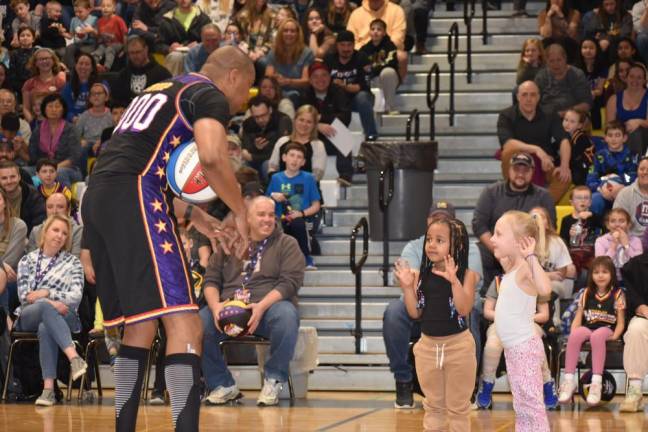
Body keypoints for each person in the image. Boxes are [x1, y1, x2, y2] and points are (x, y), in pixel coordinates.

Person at [81, 46, 254, 431]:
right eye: (248, 89)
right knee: (186, 324)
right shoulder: (209, 94)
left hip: (99, 196)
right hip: (134, 196)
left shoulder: (158, 90)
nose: (243, 102)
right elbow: (211, 157)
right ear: (234, 77)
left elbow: (137, 160)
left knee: (141, 324)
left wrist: (197, 215)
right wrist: (240, 211)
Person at [200, 195, 304, 406]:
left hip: (267, 309)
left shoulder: (287, 243)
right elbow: (210, 281)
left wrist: (262, 306)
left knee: (287, 315)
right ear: (247, 218)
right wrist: (216, 307)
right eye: (261, 214)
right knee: (198, 322)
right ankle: (222, 384)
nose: (267, 219)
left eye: (271, 215)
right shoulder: (229, 244)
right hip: (228, 309)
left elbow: (289, 283)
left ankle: (273, 379)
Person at [384, 201, 483, 410]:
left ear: (455, 240)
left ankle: (471, 386)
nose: (431, 244)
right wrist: (408, 287)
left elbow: (464, 308)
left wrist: (454, 280)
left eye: (439, 240)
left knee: (457, 410)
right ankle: (403, 381)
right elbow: (414, 311)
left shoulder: (466, 269)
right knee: (433, 408)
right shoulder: (418, 260)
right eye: (429, 239)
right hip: (429, 345)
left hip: (457, 342)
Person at [13, 214, 86, 406]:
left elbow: (76, 296)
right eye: (55, 230)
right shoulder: (26, 261)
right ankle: (75, 357)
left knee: (47, 326)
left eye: (64, 233)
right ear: (45, 233)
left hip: (66, 315)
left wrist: (46, 292)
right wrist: (53, 301)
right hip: (29, 314)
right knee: (45, 308)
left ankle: (48, 391)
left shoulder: (73, 263)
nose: (60, 236)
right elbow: (25, 296)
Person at [490, 210, 552, 431]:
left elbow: (545, 289)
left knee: (531, 404)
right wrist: (503, 244)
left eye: (498, 234)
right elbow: (500, 252)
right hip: (513, 349)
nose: (492, 239)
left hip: (524, 348)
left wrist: (532, 256)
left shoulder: (525, 267)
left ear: (518, 242)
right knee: (522, 403)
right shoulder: (511, 267)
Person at [472, 152, 556, 293]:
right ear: (509, 170)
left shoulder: (543, 196)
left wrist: (524, 252)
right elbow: (479, 225)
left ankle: (536, 295)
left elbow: (548, 228)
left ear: (532, 172)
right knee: (477, 252)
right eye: (517, 169)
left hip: (529, 249)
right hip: (494, 248)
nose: (520, 174)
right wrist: (499, 250)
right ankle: (485, 295)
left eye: (525, 170)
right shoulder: (491, 192)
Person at [475, 272, 556, 410]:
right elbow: (488, 311)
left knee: (535, 343)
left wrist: (521, 318)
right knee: (492, 345)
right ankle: (487, 384)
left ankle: (547, 384)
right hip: (501, 323)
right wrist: (507, 317)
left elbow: (544, 315)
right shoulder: (498, 281)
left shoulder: (536, 281)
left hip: (529, 322)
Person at [558, 256, 625, 405]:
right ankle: (569, 381)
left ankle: (596, 383)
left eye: (604, 272)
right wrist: (574, 333)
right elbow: (578, 316)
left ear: (612, 274)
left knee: (597, 336)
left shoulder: (617, 294)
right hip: (589, 327)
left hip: (607, 329)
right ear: (591, 275)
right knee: (576, 334)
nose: (600, 275)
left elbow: (621, 321)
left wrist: (616, 336)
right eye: (596, 272)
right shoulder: (586, 292)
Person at [497, 81, 571, 203]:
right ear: (517, 97)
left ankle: (539, 206)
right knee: (508, 153)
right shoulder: (506, 115)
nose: (528, 99)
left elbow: (564, 140)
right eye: (524, 95)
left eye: (532, 95)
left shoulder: (550, 113)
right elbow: (508, 143)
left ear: (538, 97)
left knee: (564, 177)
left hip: (545, 164)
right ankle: (513, 198)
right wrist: (537, 150)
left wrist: (564, 166)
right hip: (518, 162)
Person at [297, 61, 352, 186]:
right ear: (310, 80)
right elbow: (300, 119)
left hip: (330, 138)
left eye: (324, 75)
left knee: (342, 133)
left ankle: (345, 175)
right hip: (310, 139)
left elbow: (345, 117)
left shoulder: (338, 91)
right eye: (315, 76)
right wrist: (317, 126)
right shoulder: (304, 94)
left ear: (329, 77)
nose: (320, 79)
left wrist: (321, 118)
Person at [267, 143, 321, 269]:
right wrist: (272, 196)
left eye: (299, 157)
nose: (295, 159)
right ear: (284, 157)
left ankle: (306, 259)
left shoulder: (308, 178)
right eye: (292, 155)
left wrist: (301, 214)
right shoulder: (275, 178)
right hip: (280, 220)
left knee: (297, 223)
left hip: (302, 220)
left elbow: (316, 205)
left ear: (303, 162)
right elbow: (265, 202)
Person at [325, 30, 378, 140]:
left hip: (357, 99)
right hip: (336, 100)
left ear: (354, 45)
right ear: (337, 46)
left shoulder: (362, 58)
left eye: (349, 45)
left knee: (362, 97)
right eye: (342, 45)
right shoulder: (329, 59)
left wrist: (343, 86)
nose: (346, 49)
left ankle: (371, 136)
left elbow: (363, 86)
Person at [28, 94, 82, 187]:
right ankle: (34, 200)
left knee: (59, 173)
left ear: (63, 109)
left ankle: (64, 200)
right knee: (24, 171)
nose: (54, 110)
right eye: (50, 106)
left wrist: (52, 169)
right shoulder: (38, 129)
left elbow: (74, 157)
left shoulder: (71, 129)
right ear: (44, 109)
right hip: (42, 168)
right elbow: (33, 155)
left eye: (57, 106)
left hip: (68, 169)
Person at [586, 121, 637, 216]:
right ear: (605, 138)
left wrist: (620, 186)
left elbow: (634, 177)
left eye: (617, 135)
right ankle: (594, 230)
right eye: (610, 135)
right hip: (602, 193)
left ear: (624, 138)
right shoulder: (598, 156)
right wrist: (601, 187)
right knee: (594, 200)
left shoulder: (632, 156)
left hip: (625, 191)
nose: (614, 139)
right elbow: (590, 179)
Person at [346, 0, 407, 80]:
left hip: (387, 52)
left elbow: (398, 39)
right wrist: (366, 52)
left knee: (401, 56)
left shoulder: (397, 10)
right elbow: (351, 40)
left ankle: (395, 86)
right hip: (364, 53)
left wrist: (380, 52)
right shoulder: (356, 14)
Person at [619, 250, 648, 411]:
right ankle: (635, 390)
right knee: (636, 329)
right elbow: (631, 294)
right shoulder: (637, 264)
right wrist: (642, 307)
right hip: (645, 315)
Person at [268, 105, 327, 182]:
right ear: (295, 120)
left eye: (309, 122)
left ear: (314, 125)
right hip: (282, 187)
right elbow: (272, 168)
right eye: (301, 120)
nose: (304, 124)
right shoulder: (282, 141)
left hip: (307, 189)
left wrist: (295, 183)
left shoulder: (318, 145)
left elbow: (317, 175)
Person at [265, 18, 315, 107]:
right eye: (286, 31)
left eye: (292, 31)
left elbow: (306, 81)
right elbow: (268, 76)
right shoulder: (273, 52)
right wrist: (274, 77)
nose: (289, 34)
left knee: (290, 99)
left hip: (297, 94)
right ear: (281, 33)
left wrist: (288, 81)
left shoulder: (307, 53)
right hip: (277, 92)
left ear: (297, 34)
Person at [241, 95, 292, 181]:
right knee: (243, 165)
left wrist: (253, 156)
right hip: (256, 158)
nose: (260, 120)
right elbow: (246, 149)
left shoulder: (283, 121)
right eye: (256, 117)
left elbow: (282, 152)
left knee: (267, 164)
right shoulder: (248, 123)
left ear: (270, 110)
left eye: (263, 115)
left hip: (277, 161)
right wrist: (256, 148)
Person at [534, 44, 592, 117]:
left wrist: (564, 114)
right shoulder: (541, 77)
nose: (556, 64)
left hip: (572, 117)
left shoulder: (577, 75)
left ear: (565, 59)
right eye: (551, 61)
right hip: (547, 118)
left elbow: (586, 105)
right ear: (546, 62)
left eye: (559, 60)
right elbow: (534, 102)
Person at [111, 36, 172, 104]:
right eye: (132, 53)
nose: (135, 56)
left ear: (146, 50)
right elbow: (116, 99)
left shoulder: (162, 74)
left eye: (138, 52)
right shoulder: (123, 75)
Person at [158, 0, 212, 76]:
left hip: (197, 56)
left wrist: (199, 45)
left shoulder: (203, 19)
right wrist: (169, 48)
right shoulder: (167, 19)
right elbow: (158, 44)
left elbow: (211, 41)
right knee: (176, 56)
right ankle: (172, 86)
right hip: (175, 57)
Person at [559, 186, 603, 278]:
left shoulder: (594, 218)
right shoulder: (566, 220)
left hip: (590, 253)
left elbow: (606, 225)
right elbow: (562, 241)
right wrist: (570, 235)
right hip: (573, 254)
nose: (582, 201)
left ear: (590, 202)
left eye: (586, 198)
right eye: (578, 198)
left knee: (590, 270)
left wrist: (592, 215)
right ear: (571, 202)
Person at [605, 63, 648, 155]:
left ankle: (636, 164)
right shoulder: (614, 99)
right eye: (631, 76)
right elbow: (609, 127)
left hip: (644, 138)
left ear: (645, 81)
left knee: (636, 132)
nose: (635, 80)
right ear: (626, 78)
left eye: (639, 77)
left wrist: (638, 122)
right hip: (621, 138)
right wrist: (623, 130)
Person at [360, 18, 400, 114]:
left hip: (387, 78)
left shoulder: (390, 46)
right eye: (373, 29)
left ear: (384, 33)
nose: (375, 32)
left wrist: (373, 69)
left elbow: (391, 63)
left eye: (379, 29)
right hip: (371, 78)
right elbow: (361, 66)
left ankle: (390, 107)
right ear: (369, 32)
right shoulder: (364, 49)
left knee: (388, 72)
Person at [595, 207, 642, 282]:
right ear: (607, 225)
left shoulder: (636, 240)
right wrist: (613, 246)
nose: (617, 224)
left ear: (628, 224)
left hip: (631, 280)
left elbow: (638, 265)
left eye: (622, 221)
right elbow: (601, 265)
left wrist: (626, 245)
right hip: (609, 280)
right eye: (613, 221)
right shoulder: (601, 241)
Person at [28, 192, 82, 257]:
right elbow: (29, 259)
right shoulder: (36, 231)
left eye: (60, 207)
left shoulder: (78, 230)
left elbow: (75, 261)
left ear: (68, 210)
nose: (54, 211)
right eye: (50, 207)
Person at [21, 47, 67, 123]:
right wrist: (33, 123)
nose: (44, 61)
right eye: (40, 59)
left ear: (53, 60)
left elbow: (64, 106)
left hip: (56, 122)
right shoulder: (29, 84)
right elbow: (26, 108)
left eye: (47, 58)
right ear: (35, 63)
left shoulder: (61, 82)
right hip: (35, 123)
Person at [0, 160, 46, 234]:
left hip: (25, 240)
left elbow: (39, 226)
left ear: (19, 177)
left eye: (12, 177)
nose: (9, 181)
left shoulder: (33, 196)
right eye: (4, 178)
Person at [0, 187, 27, 306]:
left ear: (5, 202)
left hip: (11, 278)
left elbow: (10, 260)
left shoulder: (18, 225)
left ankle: (5, 321)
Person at [613, 156, 648, 244]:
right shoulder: (625, 193)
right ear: (637, 171)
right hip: (629, 241)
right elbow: (616, 223)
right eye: (642, 169)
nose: (645, 172)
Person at [577, 38, 608, 129]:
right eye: (585, 47)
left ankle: (597, 128)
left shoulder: (602, 67)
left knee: (594, 102)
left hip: (596, 96)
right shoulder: (576, 67)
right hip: (579, 96)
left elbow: (600, 90)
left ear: (597, 50)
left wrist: (592, 93)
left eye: (591, 48)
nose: (588, 50)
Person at [61, 52, 100, 122]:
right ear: (75, 66)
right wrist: (73, 118)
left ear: (92, 68)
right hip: (73, 122)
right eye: (81, 63)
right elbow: (64, 109)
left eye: (87, 64)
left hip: (95, 120)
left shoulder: (101, 85)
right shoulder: (67, 87)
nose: (83, 67)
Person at [92, 0, 127, 71]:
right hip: (105, 44)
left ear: (114, 9)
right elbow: (99, 36)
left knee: (109, 49)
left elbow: (125, 34)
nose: (105, 8)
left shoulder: (118, 20)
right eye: (103, 6)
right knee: (98, 51)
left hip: (117, 43)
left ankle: (106, 68)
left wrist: (125, 49)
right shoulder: (100, 21)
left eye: (108, 6)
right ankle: (96, 65)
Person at [562, 108, 594, 186]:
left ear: (579, 125)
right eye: (566, 120)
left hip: (585, 171)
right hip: (576, 168)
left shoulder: (581, 138)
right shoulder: (564, 135)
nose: (567, 124)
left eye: (572, 121)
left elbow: (574, 159)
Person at [63, 0, 98, 69]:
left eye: (80, 12)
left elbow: (97, 35)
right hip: (78, 43)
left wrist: (92, 30)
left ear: (88, 10)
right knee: (69, 48)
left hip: (89, 44)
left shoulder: (94, 19)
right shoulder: (74, 20)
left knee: (83, 52)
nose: (77, 14)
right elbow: (70, 36)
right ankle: (72, 69)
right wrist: (62, 33)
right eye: (75, 12)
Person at [8, 26, 38, 97]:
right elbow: (12, 74)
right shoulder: (14, 54)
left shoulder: (38, 52)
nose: (25, 38)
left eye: (28, 35)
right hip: (19, 88)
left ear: (33, 39)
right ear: (18, 39)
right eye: (22, 35)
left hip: (37, 85)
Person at [633, 0, 648, 64]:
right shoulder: (638, 6)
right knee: (641, 38)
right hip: (645, 34)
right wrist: (647, 10)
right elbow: (639, 28)